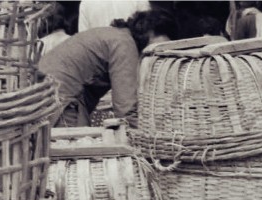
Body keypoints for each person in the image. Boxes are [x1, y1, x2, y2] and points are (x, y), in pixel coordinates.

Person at [38, 8, 176, 126]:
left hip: (47, 95)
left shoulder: (114, 35)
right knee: (72, 149)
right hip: (60, 99)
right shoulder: (124, 43)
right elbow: (125, 109)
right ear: (150, 32)